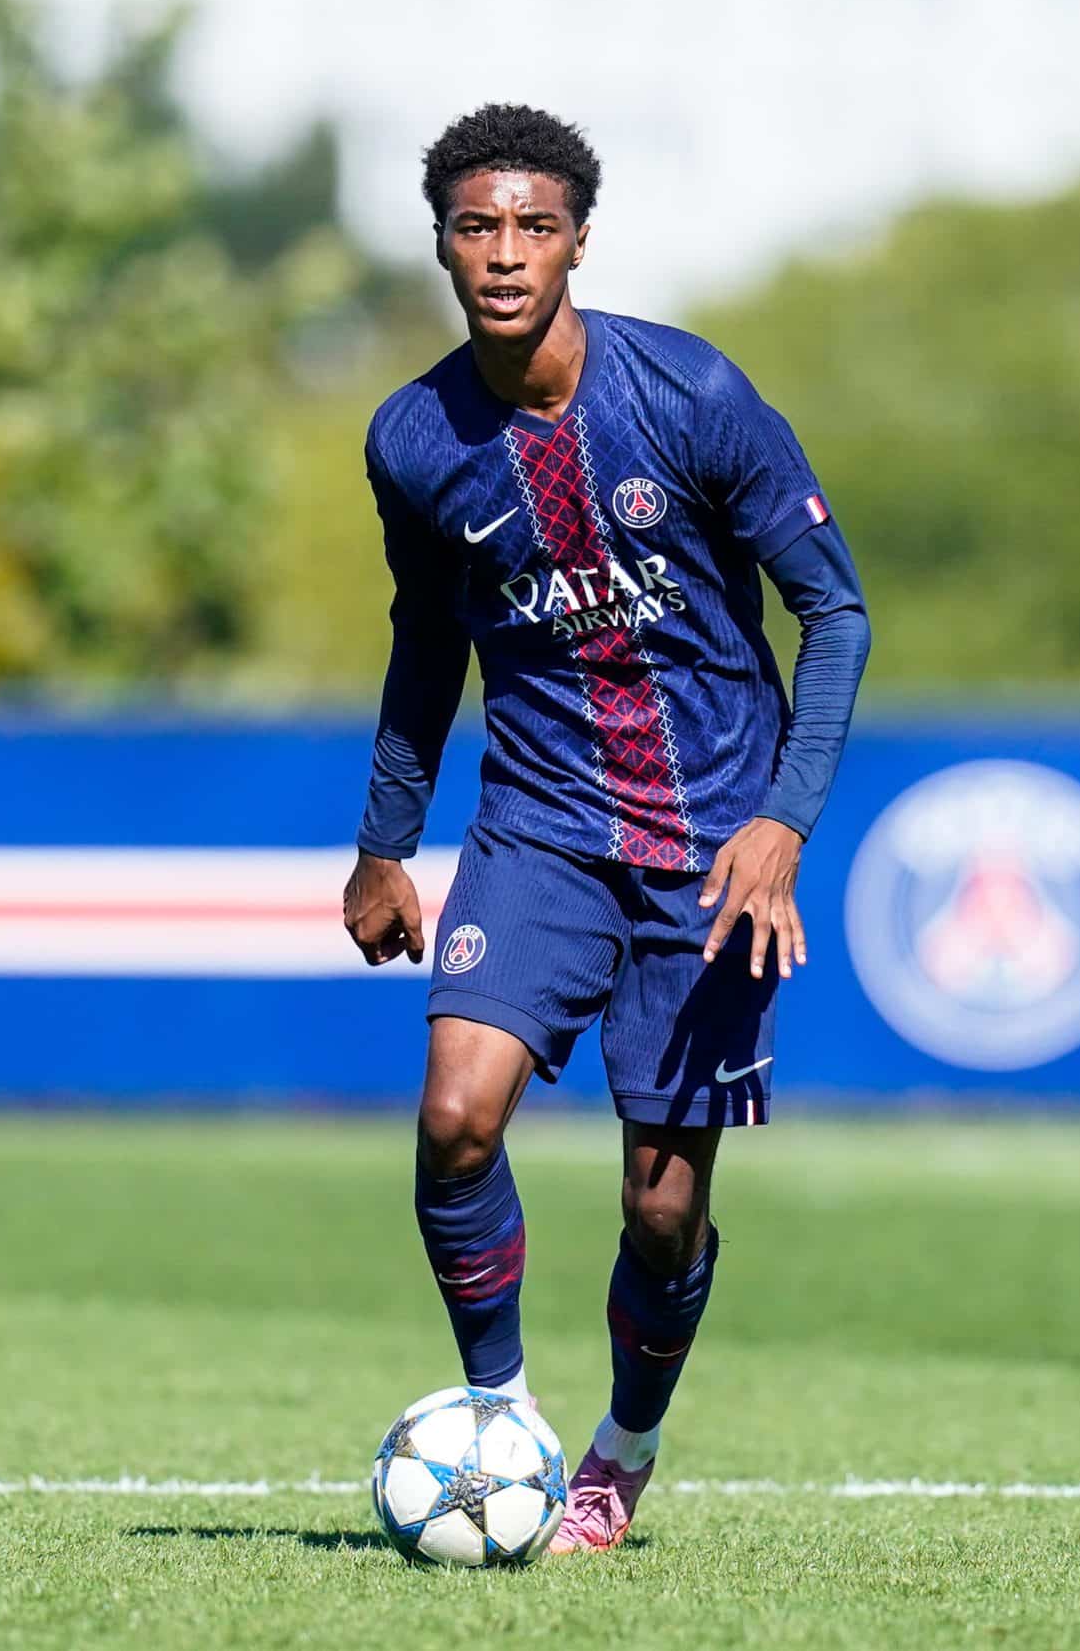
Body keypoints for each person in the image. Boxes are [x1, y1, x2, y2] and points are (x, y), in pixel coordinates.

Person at [341, 104, 871, 1554]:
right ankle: (500, 1419)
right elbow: (421, 642)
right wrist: (390, 837)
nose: (504, 254)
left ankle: (621, 1449)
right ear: (442, 239)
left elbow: (836, 610)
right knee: (455, 1118)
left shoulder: (690, 394)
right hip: (541, 828)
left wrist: (783, 824)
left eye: (533, 226)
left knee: (661, 1209)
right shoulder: (414, 438)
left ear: (580, 237)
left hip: (711, 853)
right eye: (475, 226)